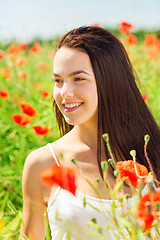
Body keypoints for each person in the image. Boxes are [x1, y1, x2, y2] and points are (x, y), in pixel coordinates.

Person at [19, 26, 160, 240]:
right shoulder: (42, 163)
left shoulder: (152, 152)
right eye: (58, 80)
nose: (64, 93)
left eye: (78, 79)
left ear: (110, 81)